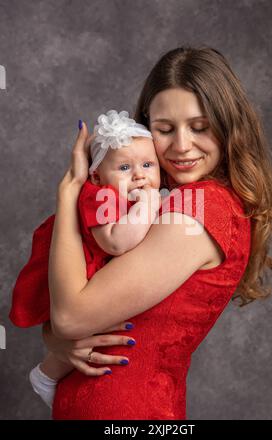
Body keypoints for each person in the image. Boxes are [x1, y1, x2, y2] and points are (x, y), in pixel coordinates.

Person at [25, 46, 272, 419]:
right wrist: (58, 340)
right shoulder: (153, 198)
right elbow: (65, 323)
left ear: (229, 127)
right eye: (164, 129)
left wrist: (70, 191)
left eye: (200, 128)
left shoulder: (204, 206)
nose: (182, 146)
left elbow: (71, 317)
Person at [10, 110, 162, 408]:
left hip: (100, 279)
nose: (139, 175)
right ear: (97, 175)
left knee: (93, 333)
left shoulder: (134, 195)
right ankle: (45, 374)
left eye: (147, 164)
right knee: (85, 330)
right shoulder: (98, 197)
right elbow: (116, 242)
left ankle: (50, 374)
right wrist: (149, 205)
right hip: (80, 273)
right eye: (124, 167)